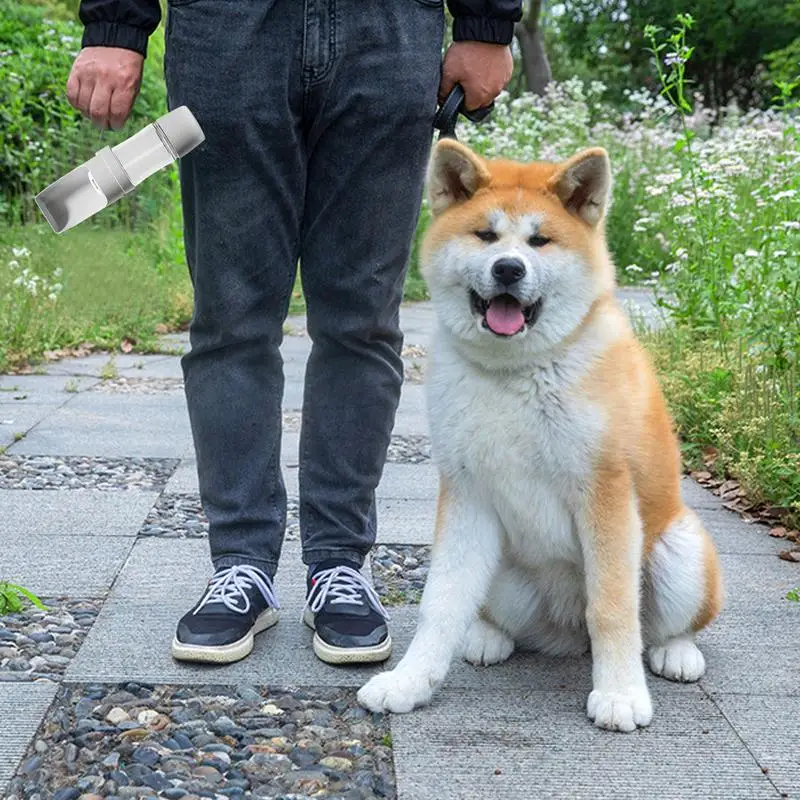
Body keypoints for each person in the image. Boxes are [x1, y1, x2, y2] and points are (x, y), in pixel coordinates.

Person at [69, 0, 521, 667]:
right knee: (229, 323)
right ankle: (242, 569)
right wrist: (115, 25)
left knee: (362, 323)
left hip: (390, 31)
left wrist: (487, 22)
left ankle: (339, 567)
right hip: (228, 30)